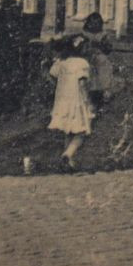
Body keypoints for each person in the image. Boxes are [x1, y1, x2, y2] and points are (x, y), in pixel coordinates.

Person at [46, 33, 92, 170]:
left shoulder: (61, 62)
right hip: (76, 100)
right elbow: (83, 84)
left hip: (62, 99)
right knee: (82, 132)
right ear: (81, 49)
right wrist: (88, 101)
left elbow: (51, 75)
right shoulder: (82, 63)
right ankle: (67, 154)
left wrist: (60, 84)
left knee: (68, 131)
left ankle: (68, 163)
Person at [81, 11, 114, 112]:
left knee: (102, 71)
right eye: (92, 22)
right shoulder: (84, 34)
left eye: (96, 22)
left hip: (97, 57)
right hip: (91, 57)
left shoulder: (103, 34)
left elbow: (108, 49)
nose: (94, 24)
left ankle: (101, 97)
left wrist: (101, 45)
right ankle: (91, 99)